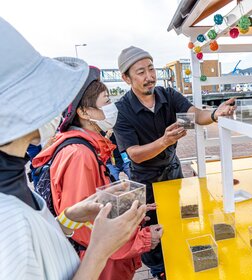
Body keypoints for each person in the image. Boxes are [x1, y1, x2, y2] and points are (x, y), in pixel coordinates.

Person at [0, 17, 147, 279]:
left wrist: (69, 218)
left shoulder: (13, 182)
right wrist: (101, 250)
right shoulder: (8, 221)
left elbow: (43, 248)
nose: (55, 106)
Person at [113, 46, 236, 278]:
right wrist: (164, 141)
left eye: (151, 69)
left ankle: (180, 267)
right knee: (152, 232)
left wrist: (214, 114)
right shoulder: (122, 110)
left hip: (173, 171)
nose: (149, 77)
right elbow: (134, 154)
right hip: (145, 180)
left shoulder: (168, 95)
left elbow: (195, 114)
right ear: (125, 78)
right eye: (140, 72)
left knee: (179, 221)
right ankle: (159, 272)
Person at [32, 69, 163, 280]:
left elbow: (93, 204)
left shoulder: (85, 147)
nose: (112, 107)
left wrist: (128, 207)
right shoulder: (79, 155)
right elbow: (85, 228)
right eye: (106, 101)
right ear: (84, 112)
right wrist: (141, 239)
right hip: (100, 269)